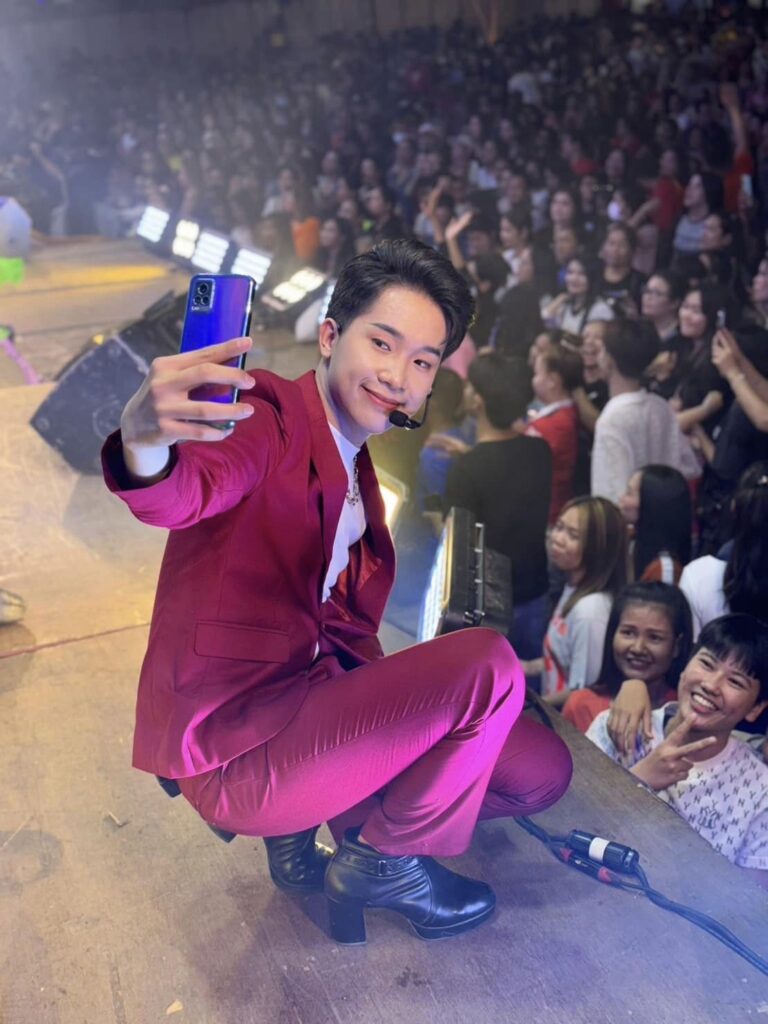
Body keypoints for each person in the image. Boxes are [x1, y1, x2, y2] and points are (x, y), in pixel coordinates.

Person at [101, 238, 572, 944]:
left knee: (540, 771)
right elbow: (187, 489)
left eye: (423, 362)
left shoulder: (356, 460)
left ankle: (312, 833)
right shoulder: (267, 415)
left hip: (309, 702)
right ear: (329, 337)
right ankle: (386, 861)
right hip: (240, 747)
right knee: (489, 664)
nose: (398, 375)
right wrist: (143, 442)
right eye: (382, 343)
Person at [587, 615, 768, 880]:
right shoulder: (618, 726)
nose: (711, 685)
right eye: (707, 664)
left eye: (735, 682)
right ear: (685, 666)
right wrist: (639, 780)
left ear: (755, 708)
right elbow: (567, 817)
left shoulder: (760, 793)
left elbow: (749, 898)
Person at [443, 353, 553, 664]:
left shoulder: (467, 470)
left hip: (490, 610)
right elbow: (506, 477)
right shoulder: (540, 450)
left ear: (478, 401)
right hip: (535, 593)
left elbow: (456, 545)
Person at [522, 496, 628, 705]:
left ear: (597, 547)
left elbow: (582, 693)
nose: (557, 538)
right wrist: (529, 667)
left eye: (573, 535)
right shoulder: (572, 588)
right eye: (559, 527)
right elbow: (565, 658)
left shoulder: (590, 612)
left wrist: (530, 708)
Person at [591, 319, 700, 505]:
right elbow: (690, 468)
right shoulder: (661, 407)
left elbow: (609, 495)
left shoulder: (611, 419)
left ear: (609, 359)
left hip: (629, 518)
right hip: (665, 512)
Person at [563, 581, 692, 733]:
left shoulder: (686, 710)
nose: (638, 648)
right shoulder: (581, 705)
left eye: (654, 637)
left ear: (677, 646)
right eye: (628, 633)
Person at [525, 343, 582, 524]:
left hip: (546, 515)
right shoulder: (569, 413)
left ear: (552, 381)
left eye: (537, 373)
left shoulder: (554, 425)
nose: (534, 379)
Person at [618, 465, 692, 584]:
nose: (621, 498)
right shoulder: (628, 539)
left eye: (629, 493)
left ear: (651, 503)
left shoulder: (663, 569)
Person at [541, 255, 614, 336]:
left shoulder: (600, 309)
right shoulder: (565, 304)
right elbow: (545, 322)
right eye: (570, 272)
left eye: (581, 273)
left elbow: (591, 341)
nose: (574, 279)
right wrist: (559, 300)